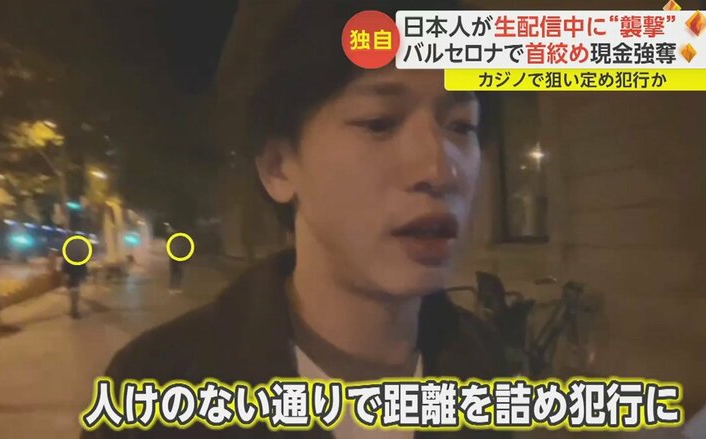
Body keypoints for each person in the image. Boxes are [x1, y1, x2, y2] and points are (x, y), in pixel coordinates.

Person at [84, 1, 508, 437]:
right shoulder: (156, 387)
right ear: (278, 167)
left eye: (462, 127)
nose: (439, 170)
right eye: (379, 123)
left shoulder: (489, 370)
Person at [62, 255, 88, 319]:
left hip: (72, 276)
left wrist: (65, 275)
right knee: (75, 293)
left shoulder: (69, 256)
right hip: (74, 276)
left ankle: (74, 310)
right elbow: (84, 266)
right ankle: (74, 311)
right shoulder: (79, 256)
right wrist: (84, 275)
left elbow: (64, 267)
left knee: (74, 293)